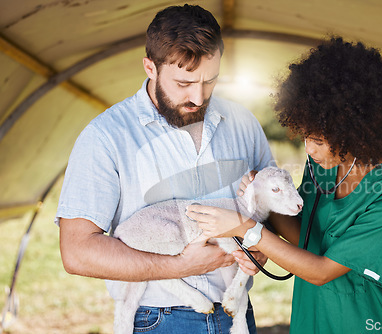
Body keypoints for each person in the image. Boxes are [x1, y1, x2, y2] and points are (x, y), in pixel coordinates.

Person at [56, 4, 272, 334]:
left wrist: (262, 246)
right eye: (184, 83)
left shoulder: (243, 123)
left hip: (238, 315)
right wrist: (178, 266)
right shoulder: (105, 136)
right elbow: (78, 251)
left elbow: (273, 205)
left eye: (209, 80)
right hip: (159, 319)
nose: (198, 97)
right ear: (150, 67)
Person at [187, 37, 382, 333]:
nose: (308, 150)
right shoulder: (324, 164)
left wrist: (245, 228)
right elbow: (307, 235)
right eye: (304, 136)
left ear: (355, 130)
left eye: (318, 140)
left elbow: (322, 270)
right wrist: (264, 200)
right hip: (313, 317)